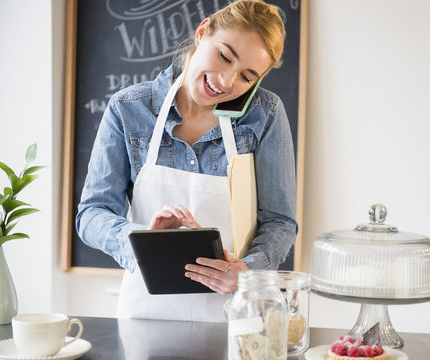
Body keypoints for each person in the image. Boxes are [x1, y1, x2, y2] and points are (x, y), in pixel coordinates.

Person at [76, 0, 297, 322]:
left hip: (235, 316)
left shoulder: (265, 114)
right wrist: (143, 244)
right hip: (146, 315)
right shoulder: (129, 109)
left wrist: (246, 271)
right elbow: (92, 214)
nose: (225, 81)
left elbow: (280, 221)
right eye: (224, 56)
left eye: (246, 76)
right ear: (203, 32)